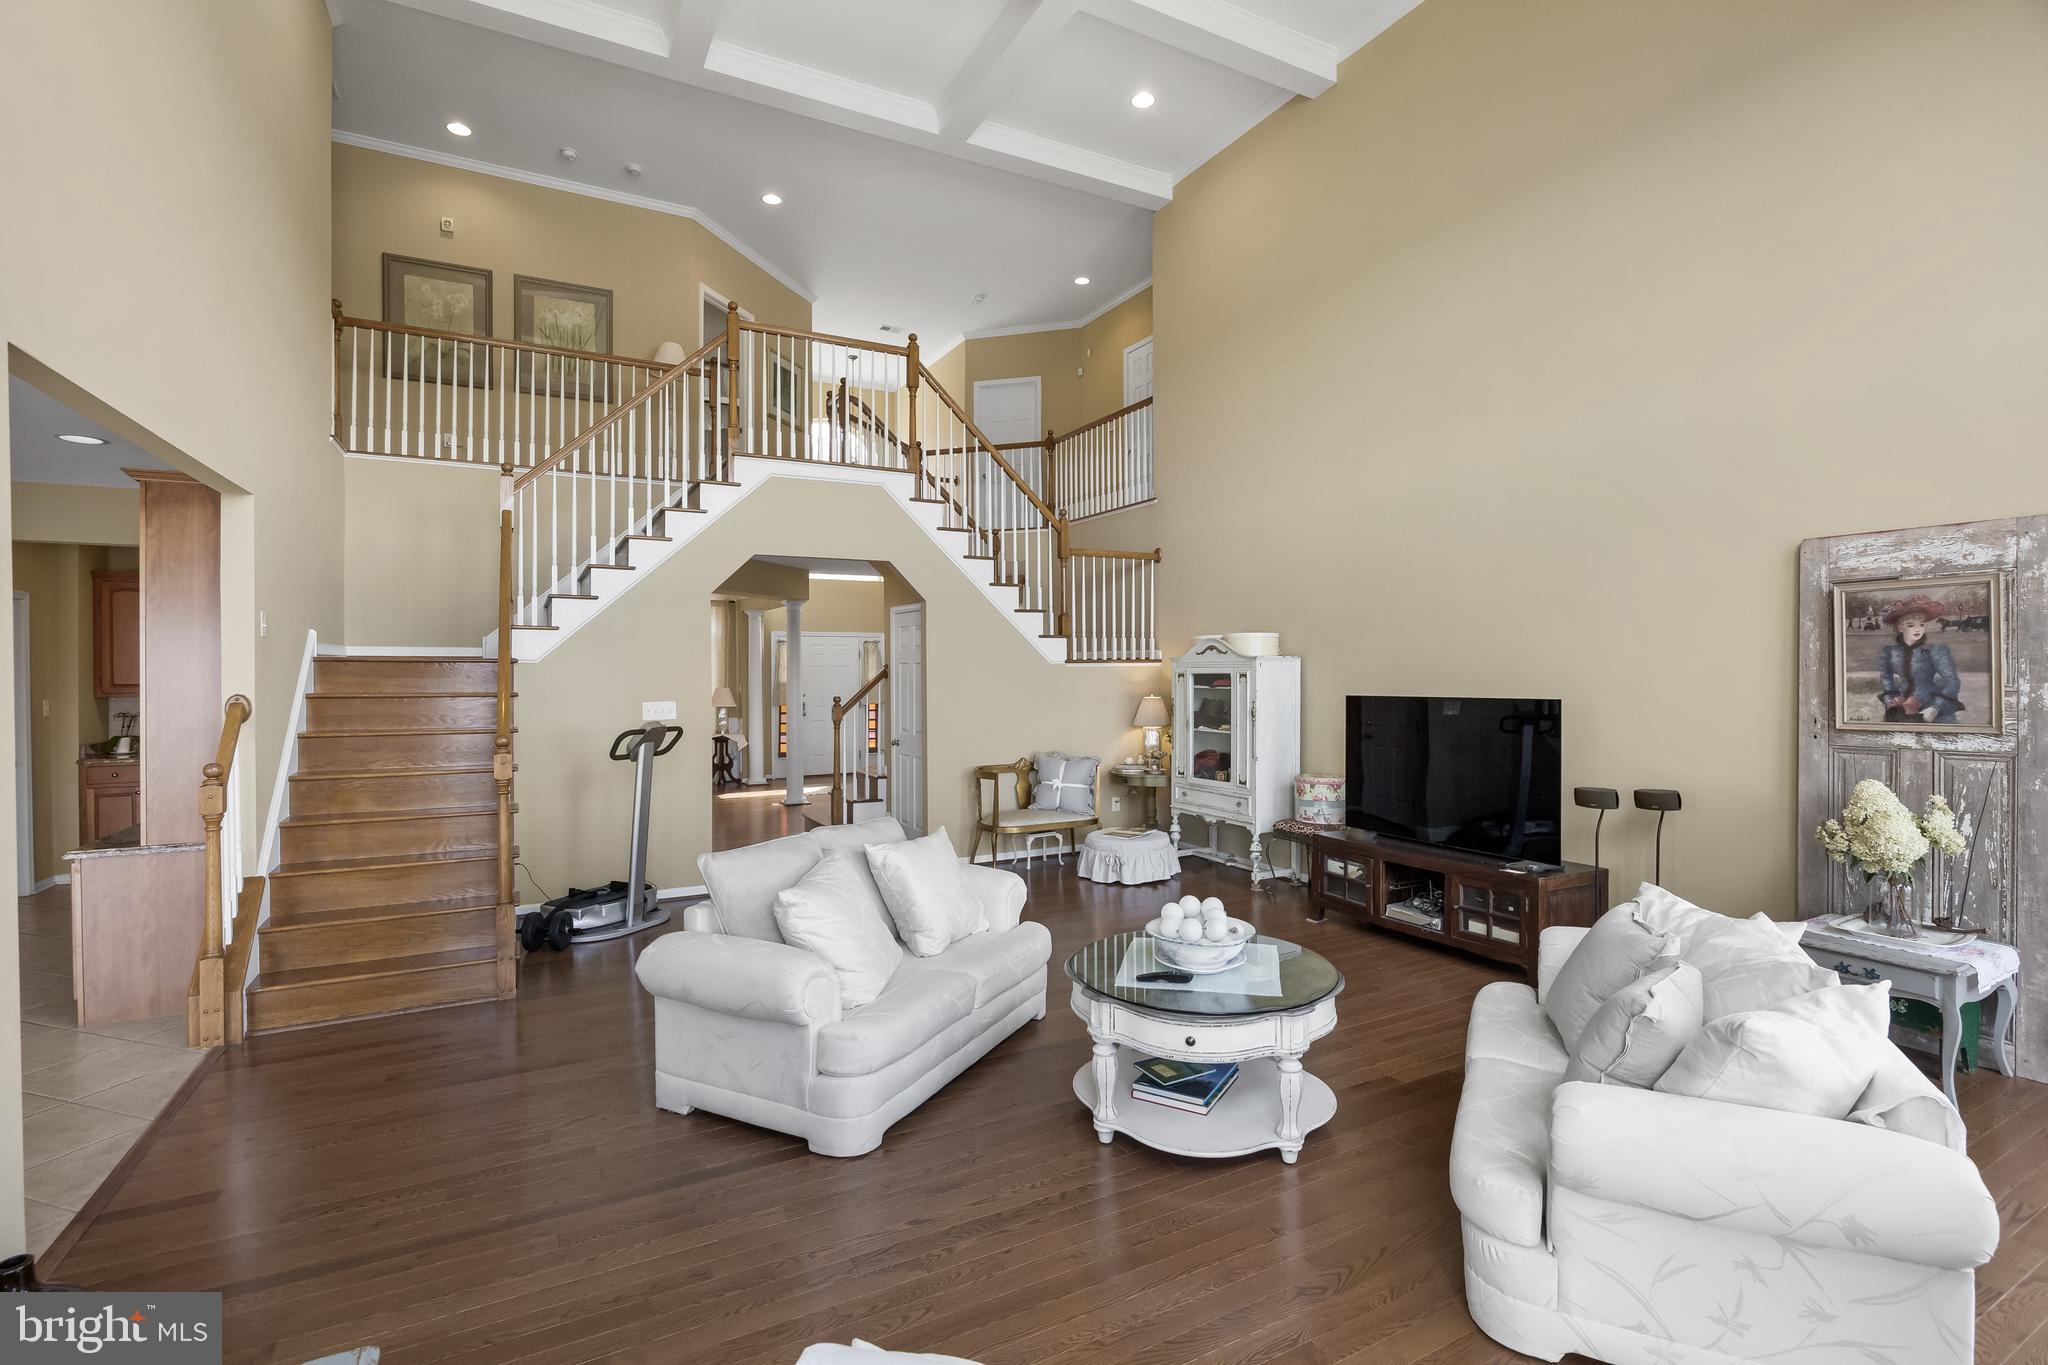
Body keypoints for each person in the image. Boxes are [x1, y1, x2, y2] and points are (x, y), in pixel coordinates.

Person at [1877, 594, 1964, 724]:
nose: (1918, 629)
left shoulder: (1936, 650)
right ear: (1901, 627)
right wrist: (1892, 701)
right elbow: (1886, 680)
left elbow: (1952, 681)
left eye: (1921, 624)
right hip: (1900, 707)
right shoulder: (1890, 652)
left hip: (1930, 704)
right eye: (1911, 625)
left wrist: (1934, 707)